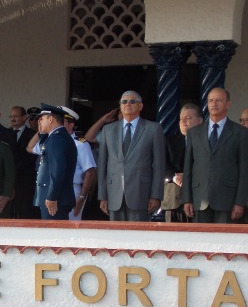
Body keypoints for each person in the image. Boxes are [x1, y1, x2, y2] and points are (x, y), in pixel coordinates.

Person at [182, 88, 248, 223]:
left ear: (228, 104)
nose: (214, 104)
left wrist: (240, 202)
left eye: (218, 100)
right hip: (200, 199)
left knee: (225, 242)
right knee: (201, 242)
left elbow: (244, 170)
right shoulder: (194, 133)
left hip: (227, 199)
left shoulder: (240, 132)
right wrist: (187, 199)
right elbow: (188, 168)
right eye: (210, 100)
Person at [97, 91, 166, 221]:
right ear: (120, 106)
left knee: (138, 237)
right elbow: (102, 164)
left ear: (140, 106)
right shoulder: (108, 130)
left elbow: (158, 165)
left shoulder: (153, 129)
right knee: (116, 237)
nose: (128, 104)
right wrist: (102, 195)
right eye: (124, 101)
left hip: (141, 192)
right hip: (114, 193)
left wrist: (156, 195)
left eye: (132, 101)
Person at [27, 104, 77, 220]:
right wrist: (41, 133)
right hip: (54, 198)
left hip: (55, 200)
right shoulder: (54, 137)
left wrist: (52, 196)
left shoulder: (57, 139)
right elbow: (37, 147)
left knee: (54, 235)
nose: (39, 121)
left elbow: (57, 170)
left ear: (50, 119)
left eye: (42, 118)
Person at [162, 103, 202, 222]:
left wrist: (188, 176)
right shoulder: (170, 141)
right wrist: (175, 177)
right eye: (181, 118)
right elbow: (162, 164)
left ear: (200, 120)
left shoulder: (205, 142)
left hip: (197, 198)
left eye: (188, 118)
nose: (183, 121)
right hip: (173, 197)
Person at [60, 106, 97, 220]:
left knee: (70, 227)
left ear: (71, 125)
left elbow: (90, 172)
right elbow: (30, 147)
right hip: (53, 190)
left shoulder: (80, 144)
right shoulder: (52, 141)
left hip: (72, 190)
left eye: (61, 121)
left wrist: (81, 197)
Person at [10, 106, 40, 219]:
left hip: (26, 182)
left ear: (24, 117)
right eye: (11, 116)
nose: (13, 119)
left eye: (16, 116)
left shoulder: (32, 135)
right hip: (8, 182)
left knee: (25, 214)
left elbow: (31, 157)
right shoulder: (6, 133)